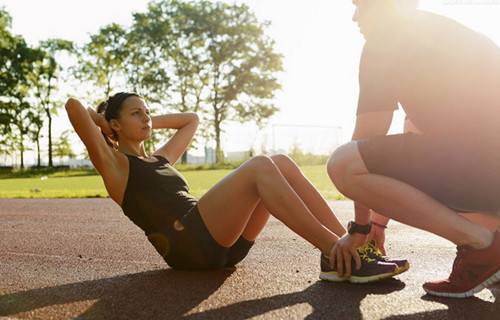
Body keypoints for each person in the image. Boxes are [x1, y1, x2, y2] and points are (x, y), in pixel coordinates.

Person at [65, 93, 400, 283]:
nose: (147, 118)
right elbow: (72, 107)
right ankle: (339, 252)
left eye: (148, 113)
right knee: (258, 167)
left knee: (279, 160)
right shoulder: (116, 167)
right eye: (136, 114)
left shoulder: (161, 157)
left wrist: (145, 119)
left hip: (224, 246)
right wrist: (103, 122)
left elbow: (191, 119)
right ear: (114, 124)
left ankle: (348, 248)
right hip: (190, 245)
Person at [327, 0, 500, 298]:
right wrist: (379, 223)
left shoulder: (385, 38)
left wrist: (360, 229)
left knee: (341, 164)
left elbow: (364, 142)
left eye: (360, 5)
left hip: (486, 165)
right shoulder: (439, 34)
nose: (355, 17)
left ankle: (483, 246)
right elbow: (408, 140)